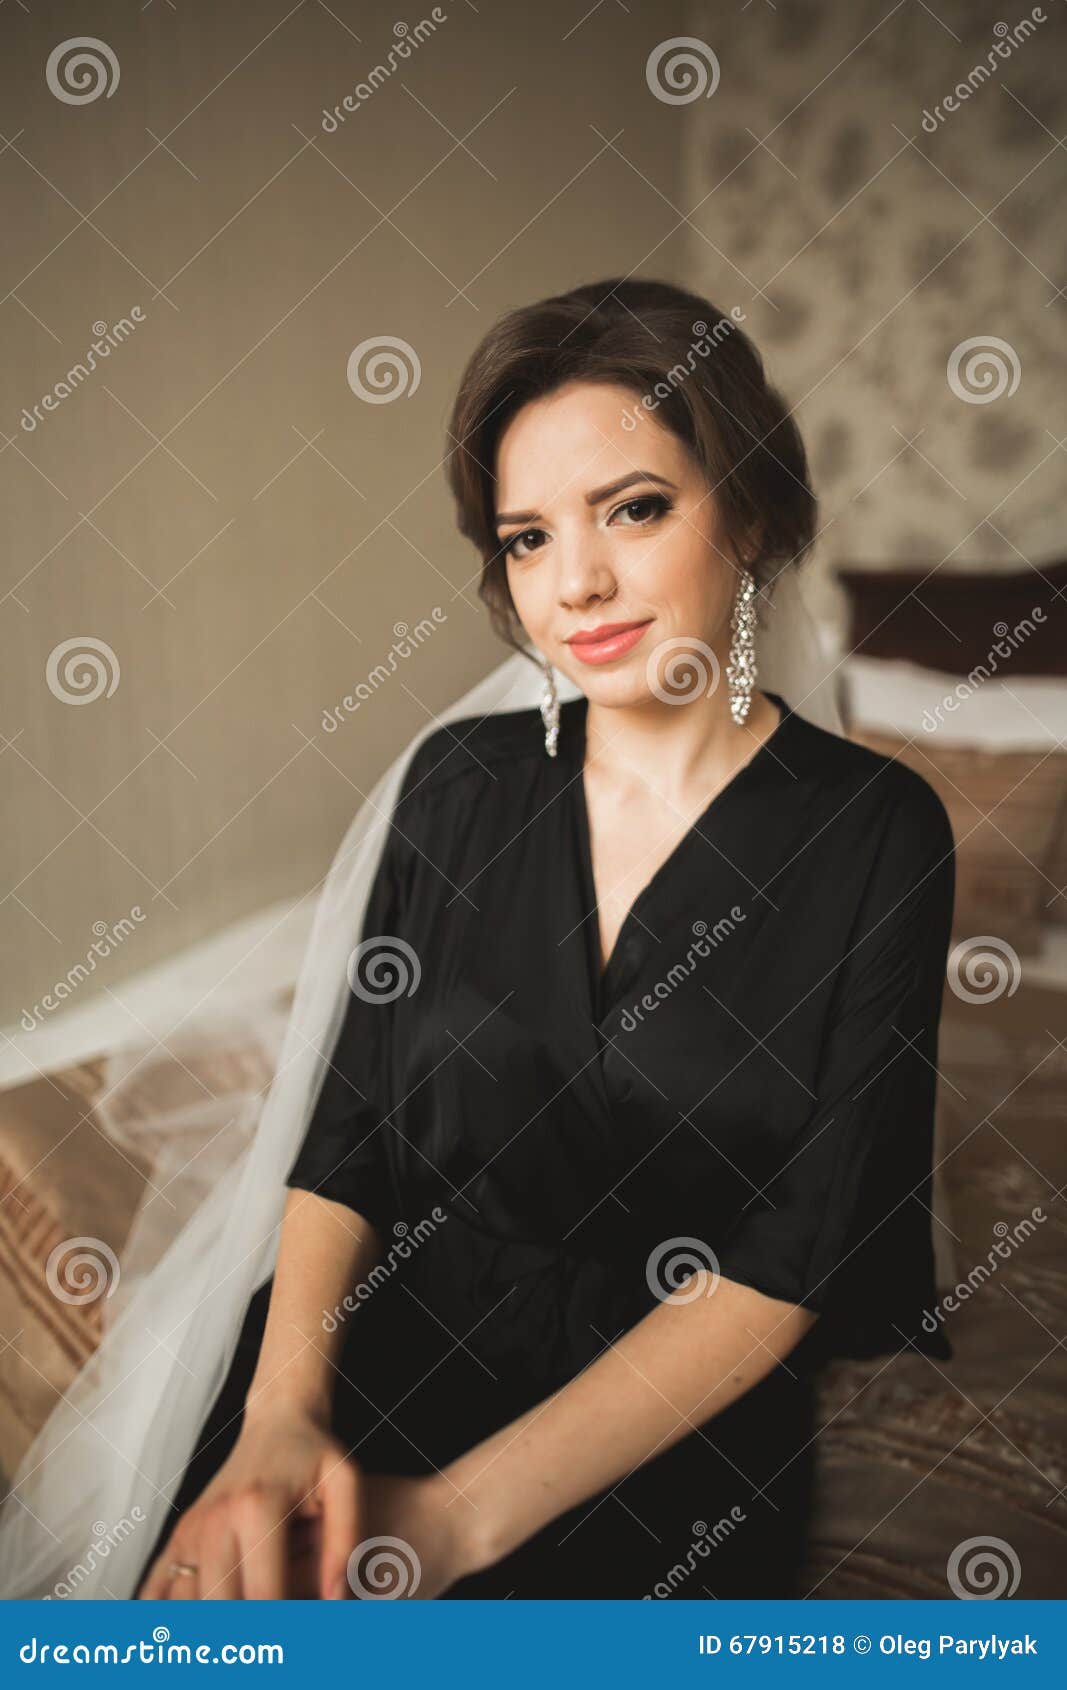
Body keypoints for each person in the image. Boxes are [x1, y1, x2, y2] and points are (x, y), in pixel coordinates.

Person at [0, 279, 954, 1601]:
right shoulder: (460, 787)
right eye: (526, 537)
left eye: (634, 507)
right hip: (382, 1344)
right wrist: (281, 1414)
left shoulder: (879, 833)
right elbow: (350, 1132)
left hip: (660, 1425)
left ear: (746, 512)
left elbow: (794, 1259)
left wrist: (450, 1519)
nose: (581, 581)